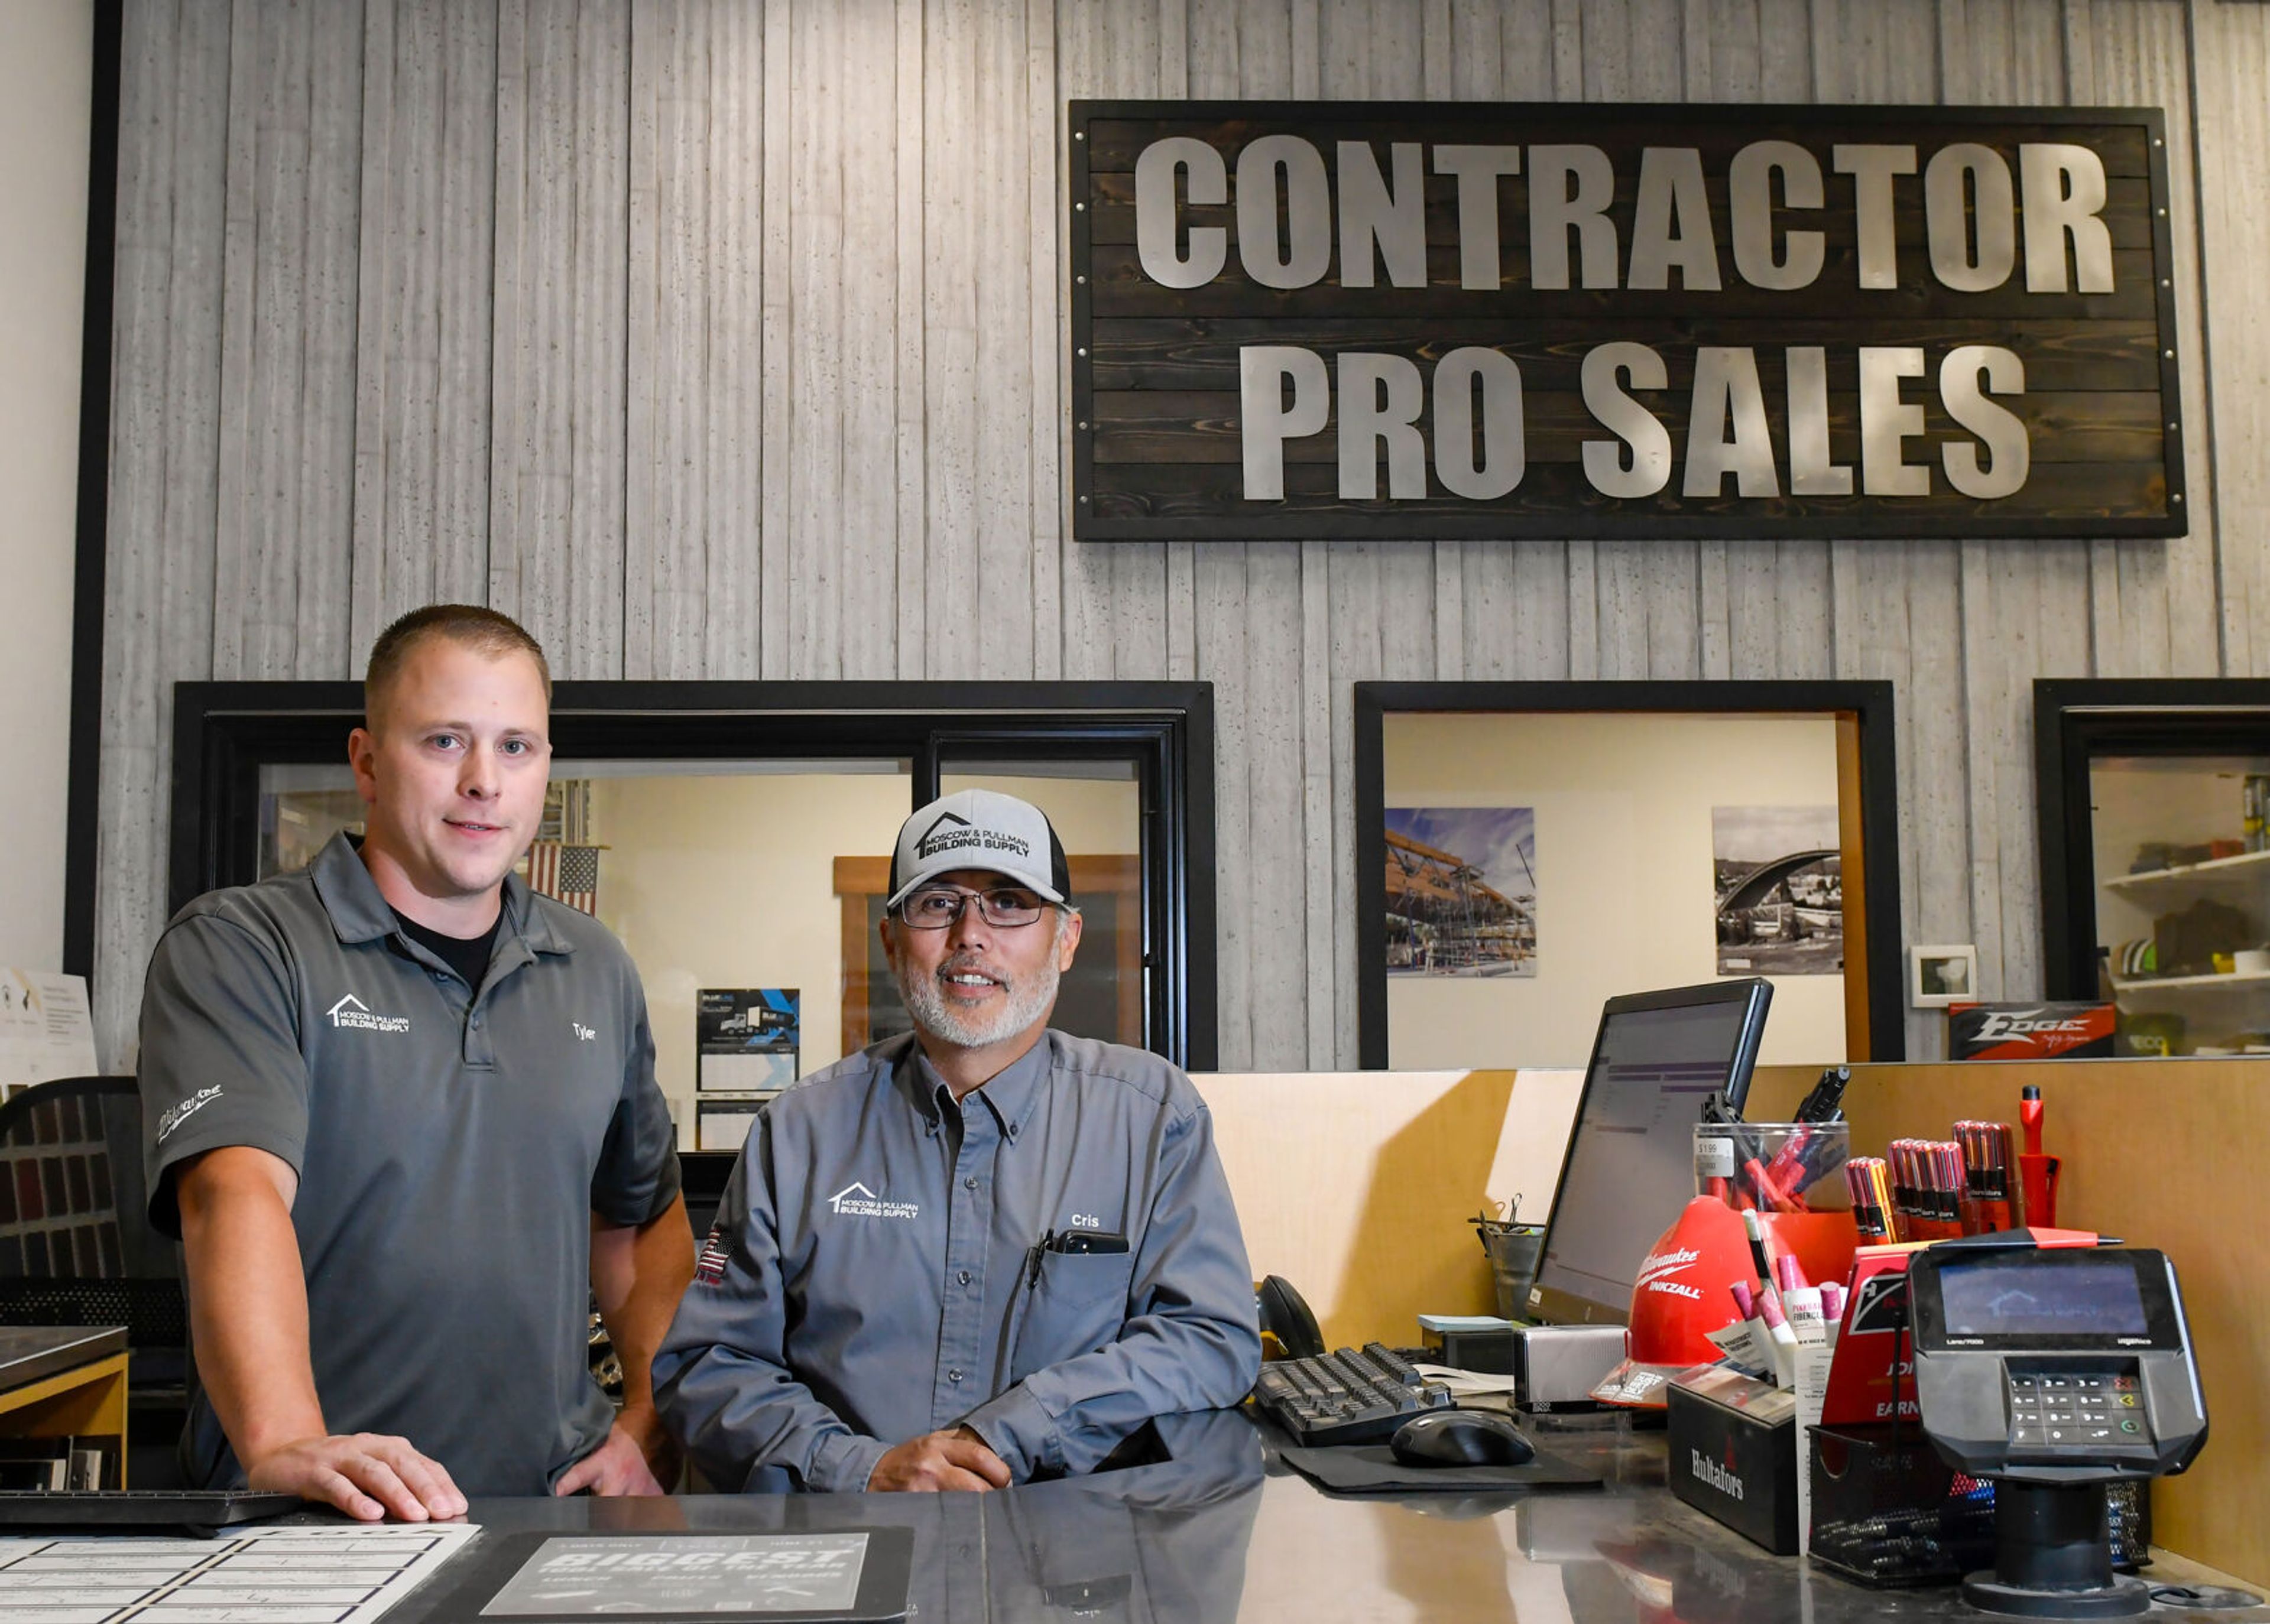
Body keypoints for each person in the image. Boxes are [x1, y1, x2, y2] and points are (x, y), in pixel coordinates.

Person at [138, 605, 695, 1520]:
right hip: (324, 1511)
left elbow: (636, 1219)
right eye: (445, 741)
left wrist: (648, 1411)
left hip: (549, 1507)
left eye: (518, 747)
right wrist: (285, 1440)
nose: (485, 782)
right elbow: (231, 1193)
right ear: (365, 760)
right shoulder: (244, 946)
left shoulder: (595, 968)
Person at [654, 789, 1262, 1493]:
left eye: (1008, 902)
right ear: (891, 940)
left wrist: (1012, 1429)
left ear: (1066, 940)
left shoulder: (1153, 1118)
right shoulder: (797, 1132)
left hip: (1074, 1565)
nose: (971, 933)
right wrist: (863, 1468)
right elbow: (708, 1365)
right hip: (850, 1549)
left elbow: (1210, 1340)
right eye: (938, 904)